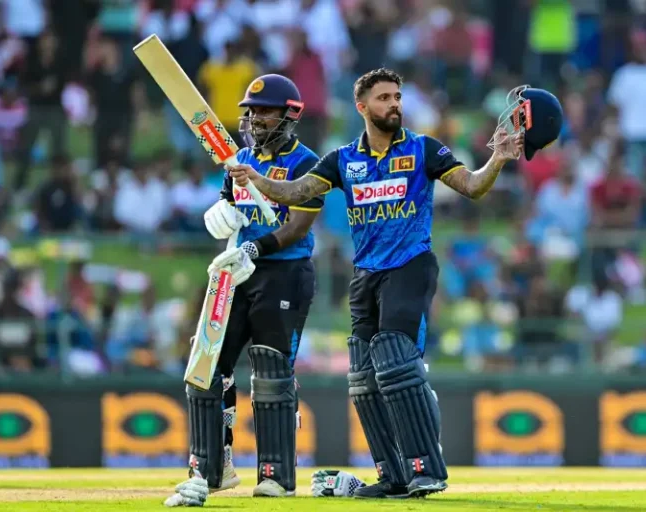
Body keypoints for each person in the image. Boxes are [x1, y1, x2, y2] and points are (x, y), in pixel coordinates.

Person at [228, 68, 563, 499]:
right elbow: (296, 192)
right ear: (362, 106)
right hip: (366, 274)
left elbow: (472, 186)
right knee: (363, 377)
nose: (394, 105)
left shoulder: (424, 149)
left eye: (397, 97)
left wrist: (497, 158)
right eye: (384, 98)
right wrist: (257, 180)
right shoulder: (342, 159)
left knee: (393, 357)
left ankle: (426, 468)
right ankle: (393, 475)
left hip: (410, 266)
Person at [165, 74, 324, 506]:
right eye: (251, 111)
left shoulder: (306, 162)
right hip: (236, 272)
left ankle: (276, 475)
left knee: (271, 369)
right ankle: (210, 470)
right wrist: (223, 215)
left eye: (265, 111)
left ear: (289, 115)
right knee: (206, 361)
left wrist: (257, 246)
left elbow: (298, 226)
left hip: (284, 272)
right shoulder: (237, 159)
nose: (255, 118)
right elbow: (231, 206)